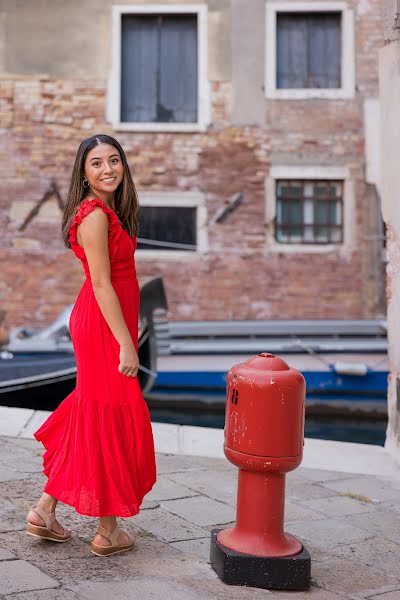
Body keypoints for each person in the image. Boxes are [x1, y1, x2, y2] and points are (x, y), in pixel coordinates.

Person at [25, 134, 157, 557]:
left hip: (108, 320)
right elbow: (102, 285)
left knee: (93, 411)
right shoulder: (95, 215)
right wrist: (127, 344)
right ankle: (107, 528)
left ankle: (46, 512)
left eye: (114, 160)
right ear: (83, 173)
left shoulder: (108, 211)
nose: (107, 170)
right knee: (110, 414)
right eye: (97, 163)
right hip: (102, 324)